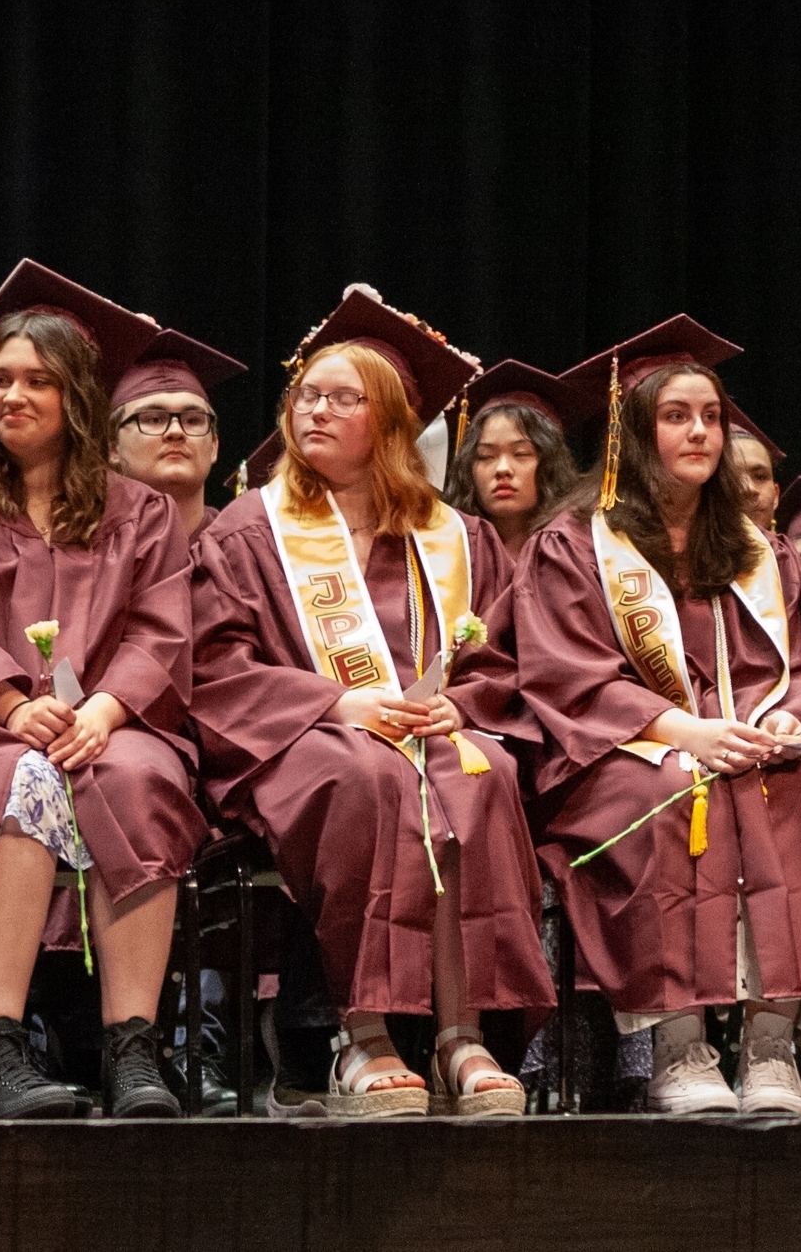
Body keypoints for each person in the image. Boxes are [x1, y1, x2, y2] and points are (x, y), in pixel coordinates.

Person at [188, 289, 550, 1115]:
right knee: (368, 776)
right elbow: (214, 662)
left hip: (423, 735)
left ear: (387, 421)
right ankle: (365, 1032)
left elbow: (500, 656)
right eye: (306, 395)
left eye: (340, 397)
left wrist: (462, 703)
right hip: (296, 741)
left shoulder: (455, 535)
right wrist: (334, 703)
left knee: (481, 768)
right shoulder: (249, 529)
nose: (314, 409)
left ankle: (463, 1034)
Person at [0, 262, 205, 1120]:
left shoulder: (138, 511)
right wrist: (10, 703)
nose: (12, 395)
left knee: (141, 778)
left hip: (114, 722)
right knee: (15, 781)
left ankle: (132, 1047)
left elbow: (159, 629)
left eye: (37, 380)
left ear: (79, 397)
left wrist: (103, 709)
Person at [506, 318, 801, 1114]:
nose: (699, 431)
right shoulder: (573, 544)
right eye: (676, 415)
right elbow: (566, 672)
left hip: (745, 745)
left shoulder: (760, 549)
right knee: (670, 790)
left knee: (790, 787)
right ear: (633, 430)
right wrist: (684, 732)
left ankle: (770, 1047)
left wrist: (781, 723)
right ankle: (680, 1045)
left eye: (710, 416)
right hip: (618, 752)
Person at [443, 360, 593, 566]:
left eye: (521, 454)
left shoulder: (580, 553)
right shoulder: (448, 556)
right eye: (486, 456)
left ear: (551, 463)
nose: (503, 469)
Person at [110, 327, 242, 540]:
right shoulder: (88, 556)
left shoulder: (245, 551)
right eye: (153, 419)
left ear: (215, 446)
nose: (176, 431)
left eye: (193, 421)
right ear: (112, 447)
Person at [725, 405, 783, 530]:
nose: (749, 488)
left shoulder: (788, 550)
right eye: (732, 477)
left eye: (760, 476)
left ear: (776, 495)